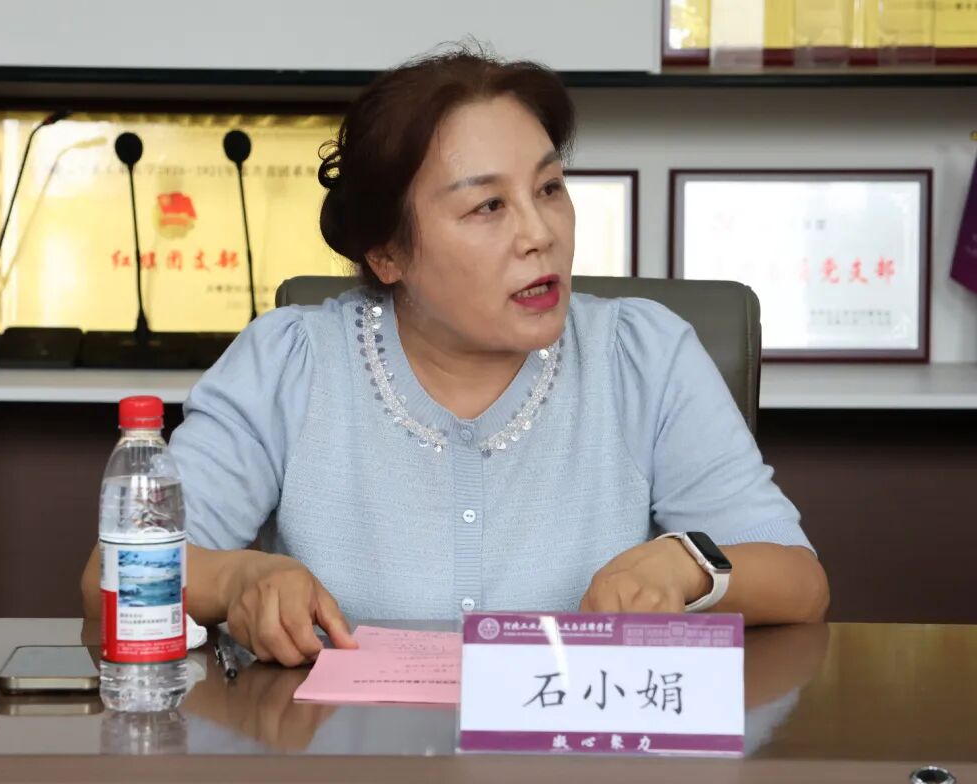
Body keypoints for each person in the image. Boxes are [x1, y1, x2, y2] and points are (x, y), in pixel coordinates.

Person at [82, 47, 829, 667]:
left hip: (576, 767)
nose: (541, 234)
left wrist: (688, 564)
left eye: (549, 188)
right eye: (488, 206)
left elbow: (800, 583)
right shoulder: (291, 363)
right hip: (344, 767)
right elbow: (110, 578)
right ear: (388, 253)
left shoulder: (644, 356)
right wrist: (240, 577)